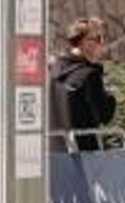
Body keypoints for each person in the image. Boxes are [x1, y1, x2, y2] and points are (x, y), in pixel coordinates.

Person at [49, 17, 116, 151]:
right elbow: (104, 116)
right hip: (85, 154)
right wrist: (110, 95)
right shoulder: (89, 74)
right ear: (84, 42)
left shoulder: (54, 69)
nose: (101, 43)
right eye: (98, 39)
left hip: (56, 153)